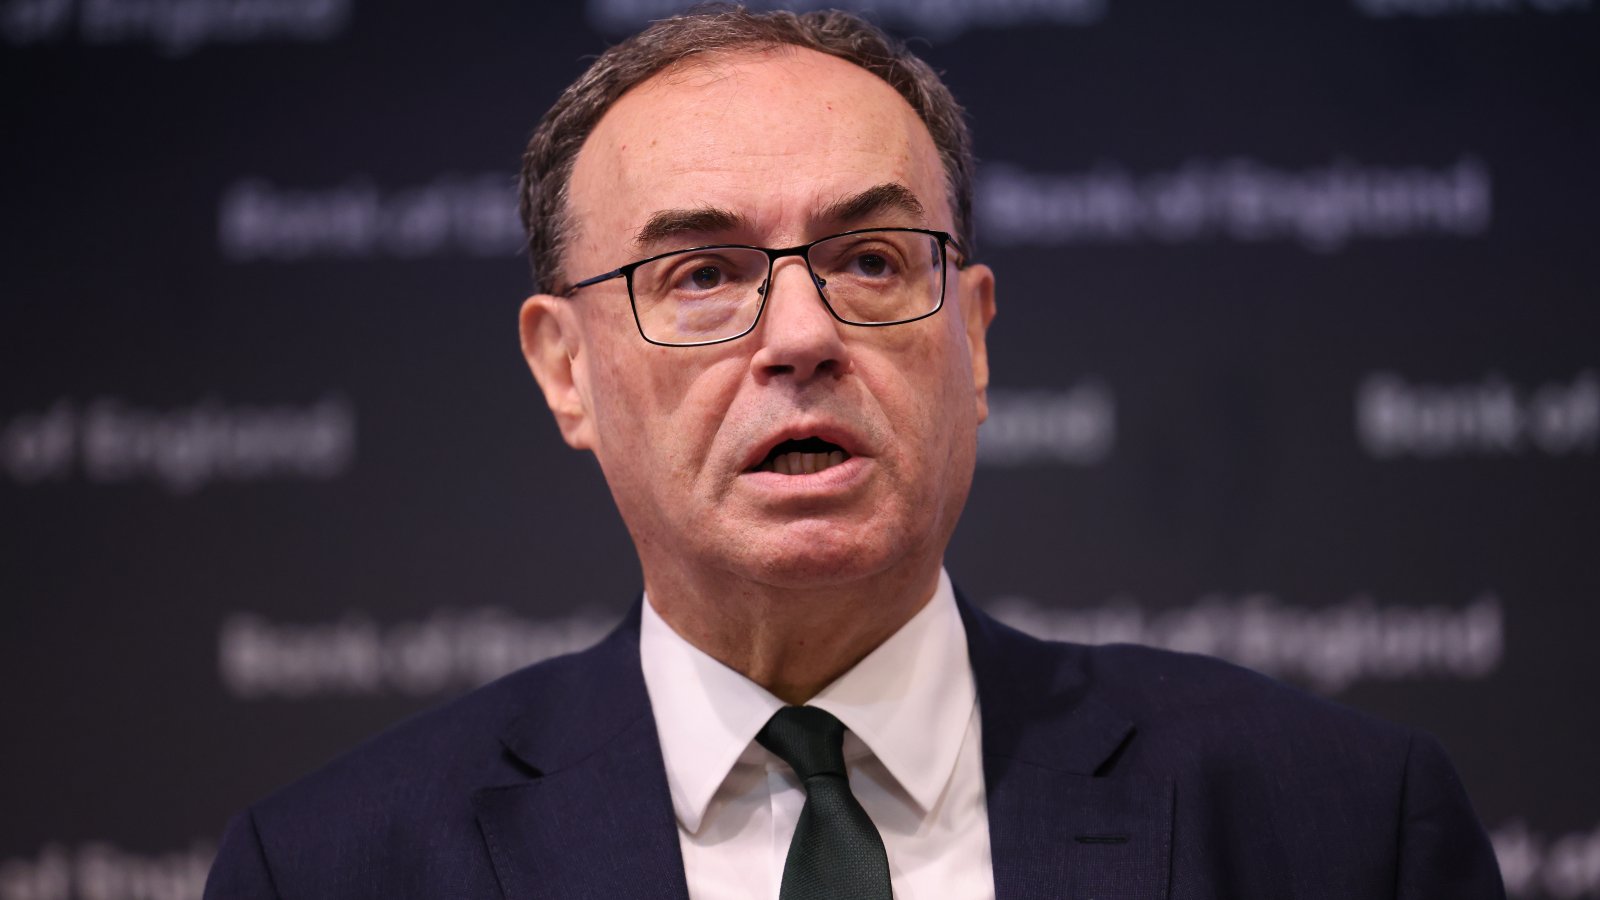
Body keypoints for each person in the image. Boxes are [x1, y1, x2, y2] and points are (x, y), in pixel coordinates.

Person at [204, 7, 1506, 899]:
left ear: (973, 339)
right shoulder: (332, 870)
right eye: (702, 274)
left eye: (873, 260)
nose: (802, 336)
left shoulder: (1336, 826)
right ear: (565, 369)